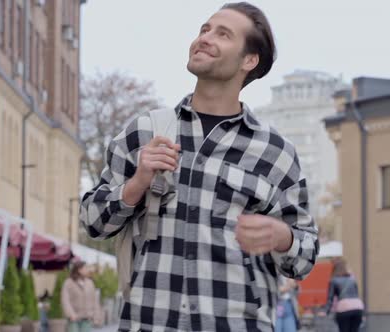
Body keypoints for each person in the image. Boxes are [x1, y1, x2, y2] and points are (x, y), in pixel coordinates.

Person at [79, 2, 319, 331]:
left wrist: (283, 237)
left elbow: (304, 260)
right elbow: (92, 223)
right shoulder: (146, 132)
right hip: (150, 323)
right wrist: (135, 186)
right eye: (204, 29)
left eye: (223, 34)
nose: (204, 38)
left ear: (249, 60)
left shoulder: (276, 153)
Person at [322, 258, 364, 332]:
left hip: (344, 308)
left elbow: (330, 298)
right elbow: (356, 294)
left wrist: (326, 311)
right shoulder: (352, 279)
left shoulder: (334, 280)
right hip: (358, 307)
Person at [60, 261, 100, 332]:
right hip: (74, 318)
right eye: (85, 268)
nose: (87, 270)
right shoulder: (68, 282)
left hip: (87, 318)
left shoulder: (90, 282)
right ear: (79, 269)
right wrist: (71, 314)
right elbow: (65, 300)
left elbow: (95, 301)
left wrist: (96, 316)